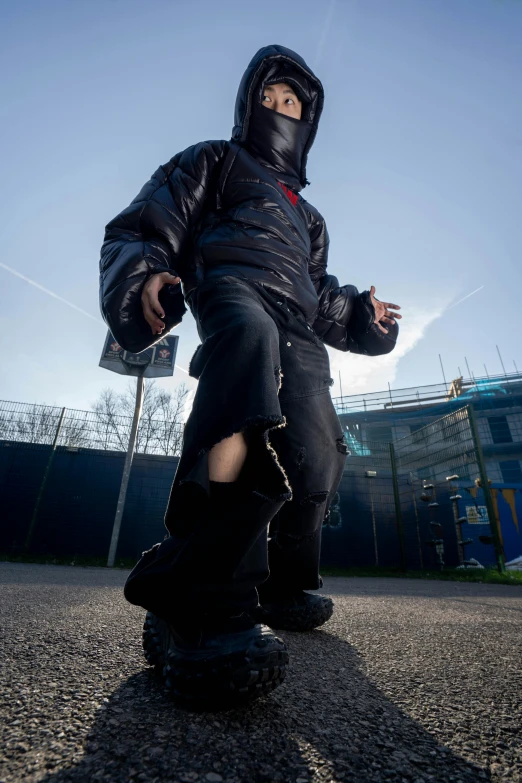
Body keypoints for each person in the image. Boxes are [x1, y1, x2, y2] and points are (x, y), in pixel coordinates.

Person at [99, 44, 401, 708]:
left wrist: (367, 318)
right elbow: (147, 224)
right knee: (247, 365)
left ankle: (282, 583)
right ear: (249, 102)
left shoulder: (308, 218)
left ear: (308, 121)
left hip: (297, 322)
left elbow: (322, 298)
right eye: (270, 97)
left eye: (293, 102)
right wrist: (147, 272)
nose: (281, 108)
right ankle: (203, 593)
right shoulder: (215, 159)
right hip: (232, 292)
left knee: (318, 448)